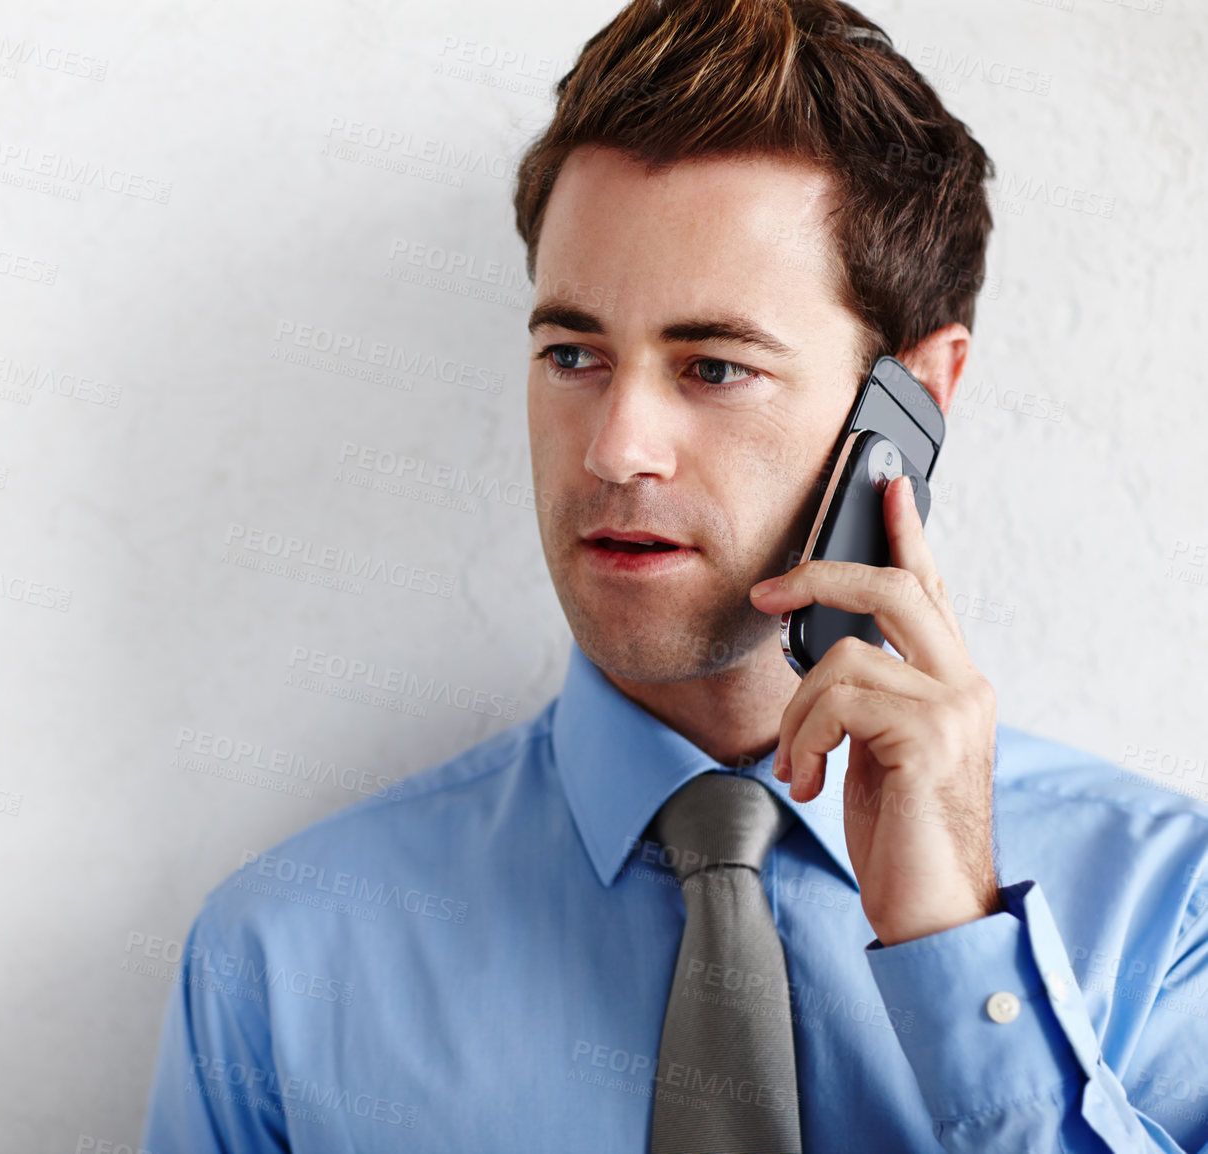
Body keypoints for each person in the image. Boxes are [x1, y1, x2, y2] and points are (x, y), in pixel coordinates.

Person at [140, 0, 1208, 1150]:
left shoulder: (1165, 913)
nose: (612, 448)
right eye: (572, 355)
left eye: (712, 364)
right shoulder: (283, 960)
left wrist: (957, 952)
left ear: (916, 399)